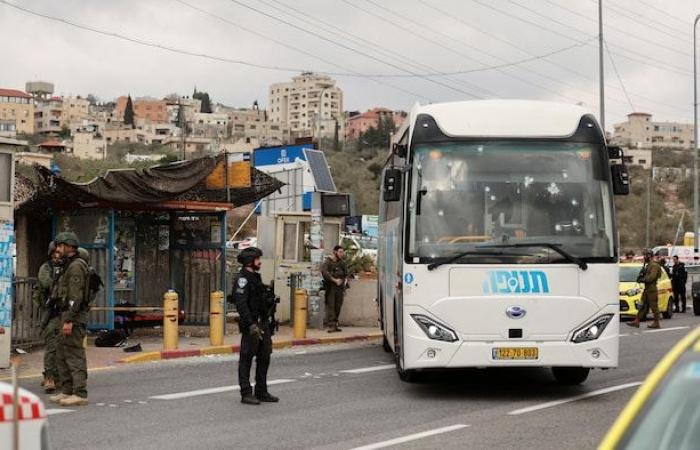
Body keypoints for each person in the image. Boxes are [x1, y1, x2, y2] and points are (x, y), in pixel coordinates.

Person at [49, 232, 90, 407]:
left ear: (69, 247)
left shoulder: (76, 267)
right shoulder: (67, 265)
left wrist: (69, 320)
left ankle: (80, 393)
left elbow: (75, 296)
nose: (57, 250)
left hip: (72, 317)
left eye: (60, 246)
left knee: (74, 354)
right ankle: (67, 390)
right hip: (64, 315)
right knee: (61, 353)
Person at [233, 247, 278, 406]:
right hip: (251, 325)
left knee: (264, 357)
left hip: (263, 323)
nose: (260, 262)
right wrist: (251, 324)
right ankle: (246, 392)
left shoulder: (256, 278)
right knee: (246, 359)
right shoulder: (242, 279)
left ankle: (261, 390)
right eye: (257, 259)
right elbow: (241, 304)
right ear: (250, 261)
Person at [32, 242, 62, 393]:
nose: (58, 255)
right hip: (51, 312)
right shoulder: (46, 268)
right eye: (55, 252)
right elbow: (47, 283)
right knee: (51, 346)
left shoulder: (68, 266)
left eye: (60, 252)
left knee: (64, 348)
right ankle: (49, 377)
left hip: (65, 313)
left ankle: (59, 376)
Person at [627, 249, 662, 329]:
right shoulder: (648, 265)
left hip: (652, 289)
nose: (644, 257)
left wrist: (643, 279)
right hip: (647, 289)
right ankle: (637, 321)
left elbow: (651, 277)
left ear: (649, 256)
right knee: (642, 305)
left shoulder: (654, 265)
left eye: (645, 255)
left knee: (654, 307)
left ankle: (656, 323)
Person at [321, 245, 348, 333]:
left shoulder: (342, 263)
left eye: (342, 252)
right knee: (331, 306)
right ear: (335, 252)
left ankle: (335, 324)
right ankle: (331, 325)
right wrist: (334, 280)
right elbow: (325, 272)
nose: (341, 254)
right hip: (331, 287)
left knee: (338, 306)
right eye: (340, 252)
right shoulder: (328, 262)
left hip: (340, 288)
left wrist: (343, 282)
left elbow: (346, 274)